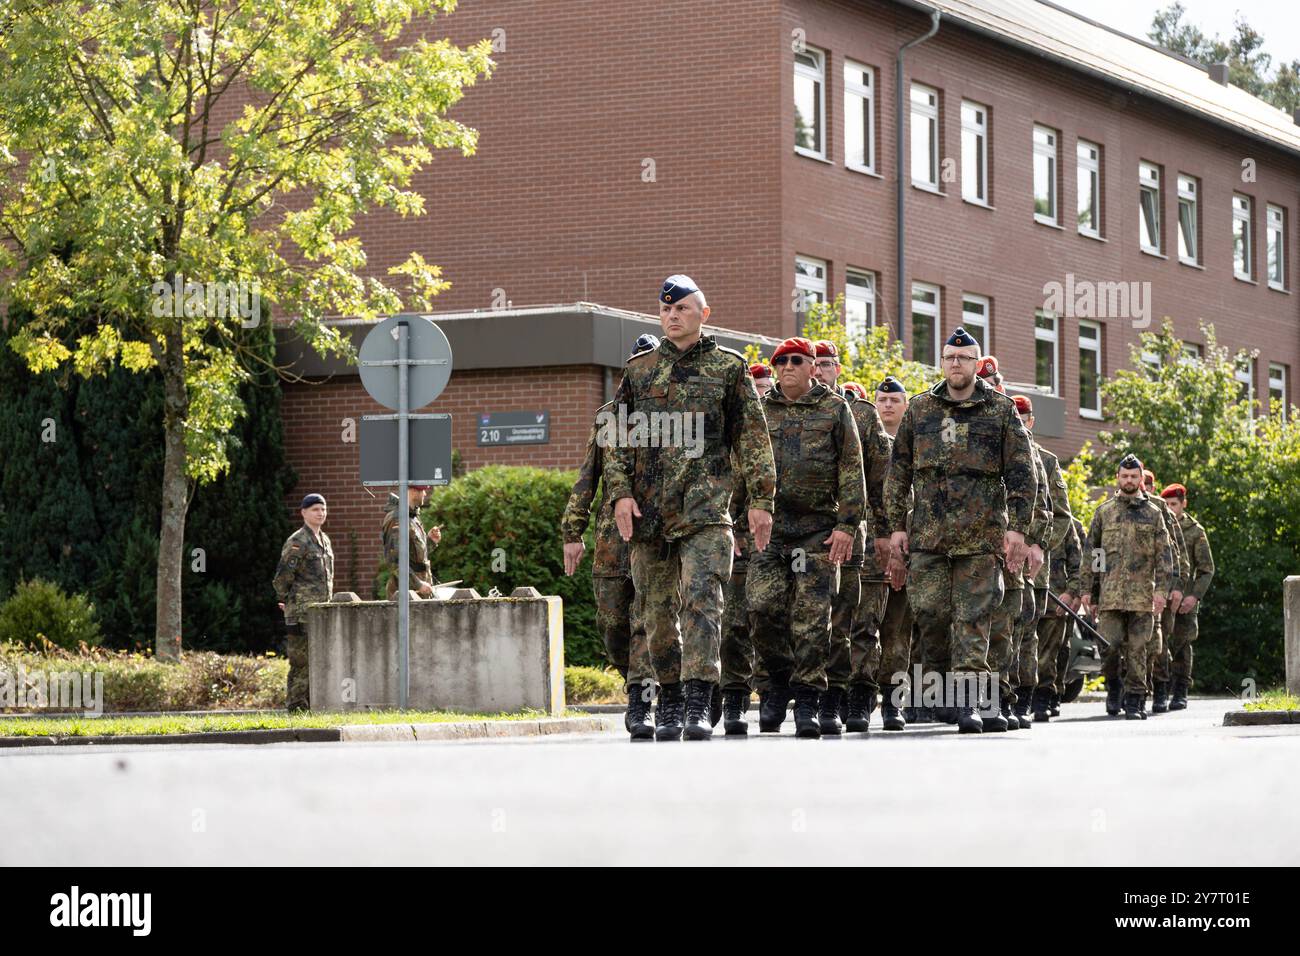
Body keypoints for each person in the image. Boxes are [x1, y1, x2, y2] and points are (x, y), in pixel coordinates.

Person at [606, 275, 776, 741]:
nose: (672, 316)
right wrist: (621, 492)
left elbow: (753, 439)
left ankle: (699, 699)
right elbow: (617, 438)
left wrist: (761, 500)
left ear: (704, 313)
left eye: (681, 308)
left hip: (706, 513)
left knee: (703, 604)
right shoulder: (640, 372)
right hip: (650, 516)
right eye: (665, 310)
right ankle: (671, 700)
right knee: (656, 615)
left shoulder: (728, 369)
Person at [884, 328, 1036, 733]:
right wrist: (896, 526)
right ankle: (943, 695)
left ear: (976, 363)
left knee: (973, 619)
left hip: (980, 537)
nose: (956, 364)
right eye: (950, 358)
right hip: (928, 537)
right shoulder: (919, 410)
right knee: (930, 616)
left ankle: (971, 702)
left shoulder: (1000, 411)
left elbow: (1023, 474)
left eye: (964, 358)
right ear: (942, 362)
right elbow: (897, 473)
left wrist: (1018, 530)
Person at [747, 337, 865, 737]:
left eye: (797, 361)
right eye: (781, 362)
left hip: (817, 531)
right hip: (771, 532)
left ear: (813, 366)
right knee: (763, 609)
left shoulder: (835, 408)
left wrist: (848, 525)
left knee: (813, 620)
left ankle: (810, 699)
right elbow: (740, 469)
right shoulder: (760, 412)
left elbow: (852, 469)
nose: (788, 367)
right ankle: (777, 684)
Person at [562, 337, 664, 739]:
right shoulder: (608, 417)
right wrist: (573, 531)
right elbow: (588, 476)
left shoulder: (670, 419)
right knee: (612, 622)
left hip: (653, 536)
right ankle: (633, 679)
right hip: (610, 540)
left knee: (645, 618)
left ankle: (642, 699)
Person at [811, 341, 891, 734]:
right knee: (818, 622)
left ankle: (859, 694)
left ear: (837, 370)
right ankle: (824, 694)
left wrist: (886, 533)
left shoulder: (861, 413)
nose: (819, 370)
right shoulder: (792, 408)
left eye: (826, 364)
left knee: (859, 623)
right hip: (810, 537)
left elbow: (879, 481)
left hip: (858, 536)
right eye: (815, 363)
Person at [1082, 455, 1174, 720]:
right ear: (1118, 478)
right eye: (1125, 476)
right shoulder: (1104, 512)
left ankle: (1135, 701)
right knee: (1108, 647)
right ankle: (1114, 687)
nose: (1129, 480)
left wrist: (1161, 592)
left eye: (1134, 476)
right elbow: (1094, 554)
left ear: (1141, 479)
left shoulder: (1155, 514)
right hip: (1110, 596)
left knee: (1138, 651)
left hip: (1142, 596)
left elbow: (1164, 556)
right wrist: (1091, 589)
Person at [1154, 484, 1215, 711]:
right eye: (1167, 505)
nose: (1170, 509)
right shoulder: (1159, 524)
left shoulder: (1195, 531)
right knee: (1160, 644)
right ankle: (1161, 688)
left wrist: (1194, 596)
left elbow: (1206, 569)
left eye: (1174, 505)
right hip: (1163, 596)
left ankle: (1180, 691)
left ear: (1183, 504)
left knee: (1182, 644)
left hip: (1185, 598)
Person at [273, 494, 335, 711]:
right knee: (301, 662)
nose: (320, 513)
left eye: (323, 509)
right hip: (301, 613)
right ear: (304, 512)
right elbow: (282, 577)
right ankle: (297, 707)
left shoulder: (324, 541)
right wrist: (288, 601)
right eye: (315, 509)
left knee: (318, 661)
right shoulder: (298, 541)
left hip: (320, 612)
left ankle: (311, 705)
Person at [1139, 468, 1189, 709]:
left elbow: (1178, 553)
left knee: (1160, 644)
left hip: (1161, 589)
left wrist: (1177, 587)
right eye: (1142, 483)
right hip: (1133, 590)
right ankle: (1138, 691)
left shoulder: (1161, 508)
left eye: (1148, 485)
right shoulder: (1120, 506)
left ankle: (1160, 689)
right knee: (1135, 644)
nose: (1144, 488)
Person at [1036, 514, 1081, 719]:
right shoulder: (1021, 515)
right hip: (1026, 594)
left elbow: (1078, 564)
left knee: (1052, 652)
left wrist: (1072, 592)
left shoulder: (1067, 524)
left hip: (1055, 599)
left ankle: (1046, 696)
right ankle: (1019, 696)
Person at [383, 485, 440, 599]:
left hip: (418, 595)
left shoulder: (412, 517)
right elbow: (395, 561)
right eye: (422, 490)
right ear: (414, 491)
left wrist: (430, 542)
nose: (424, 494)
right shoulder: (397, 519)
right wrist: (418, 584)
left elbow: (415, 557)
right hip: (406, 597)